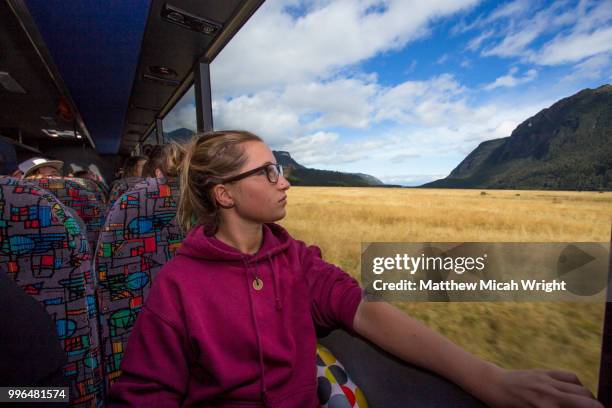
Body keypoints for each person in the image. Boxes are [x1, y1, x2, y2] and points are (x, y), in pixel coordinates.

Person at [109, 131, 601, 408]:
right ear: (224, 194)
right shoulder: (178, 286)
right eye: (268, 172)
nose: (285, 183)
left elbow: (364, 309)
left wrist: (490, 379)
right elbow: (146, 396)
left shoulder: (296, 261)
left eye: (278, 168)